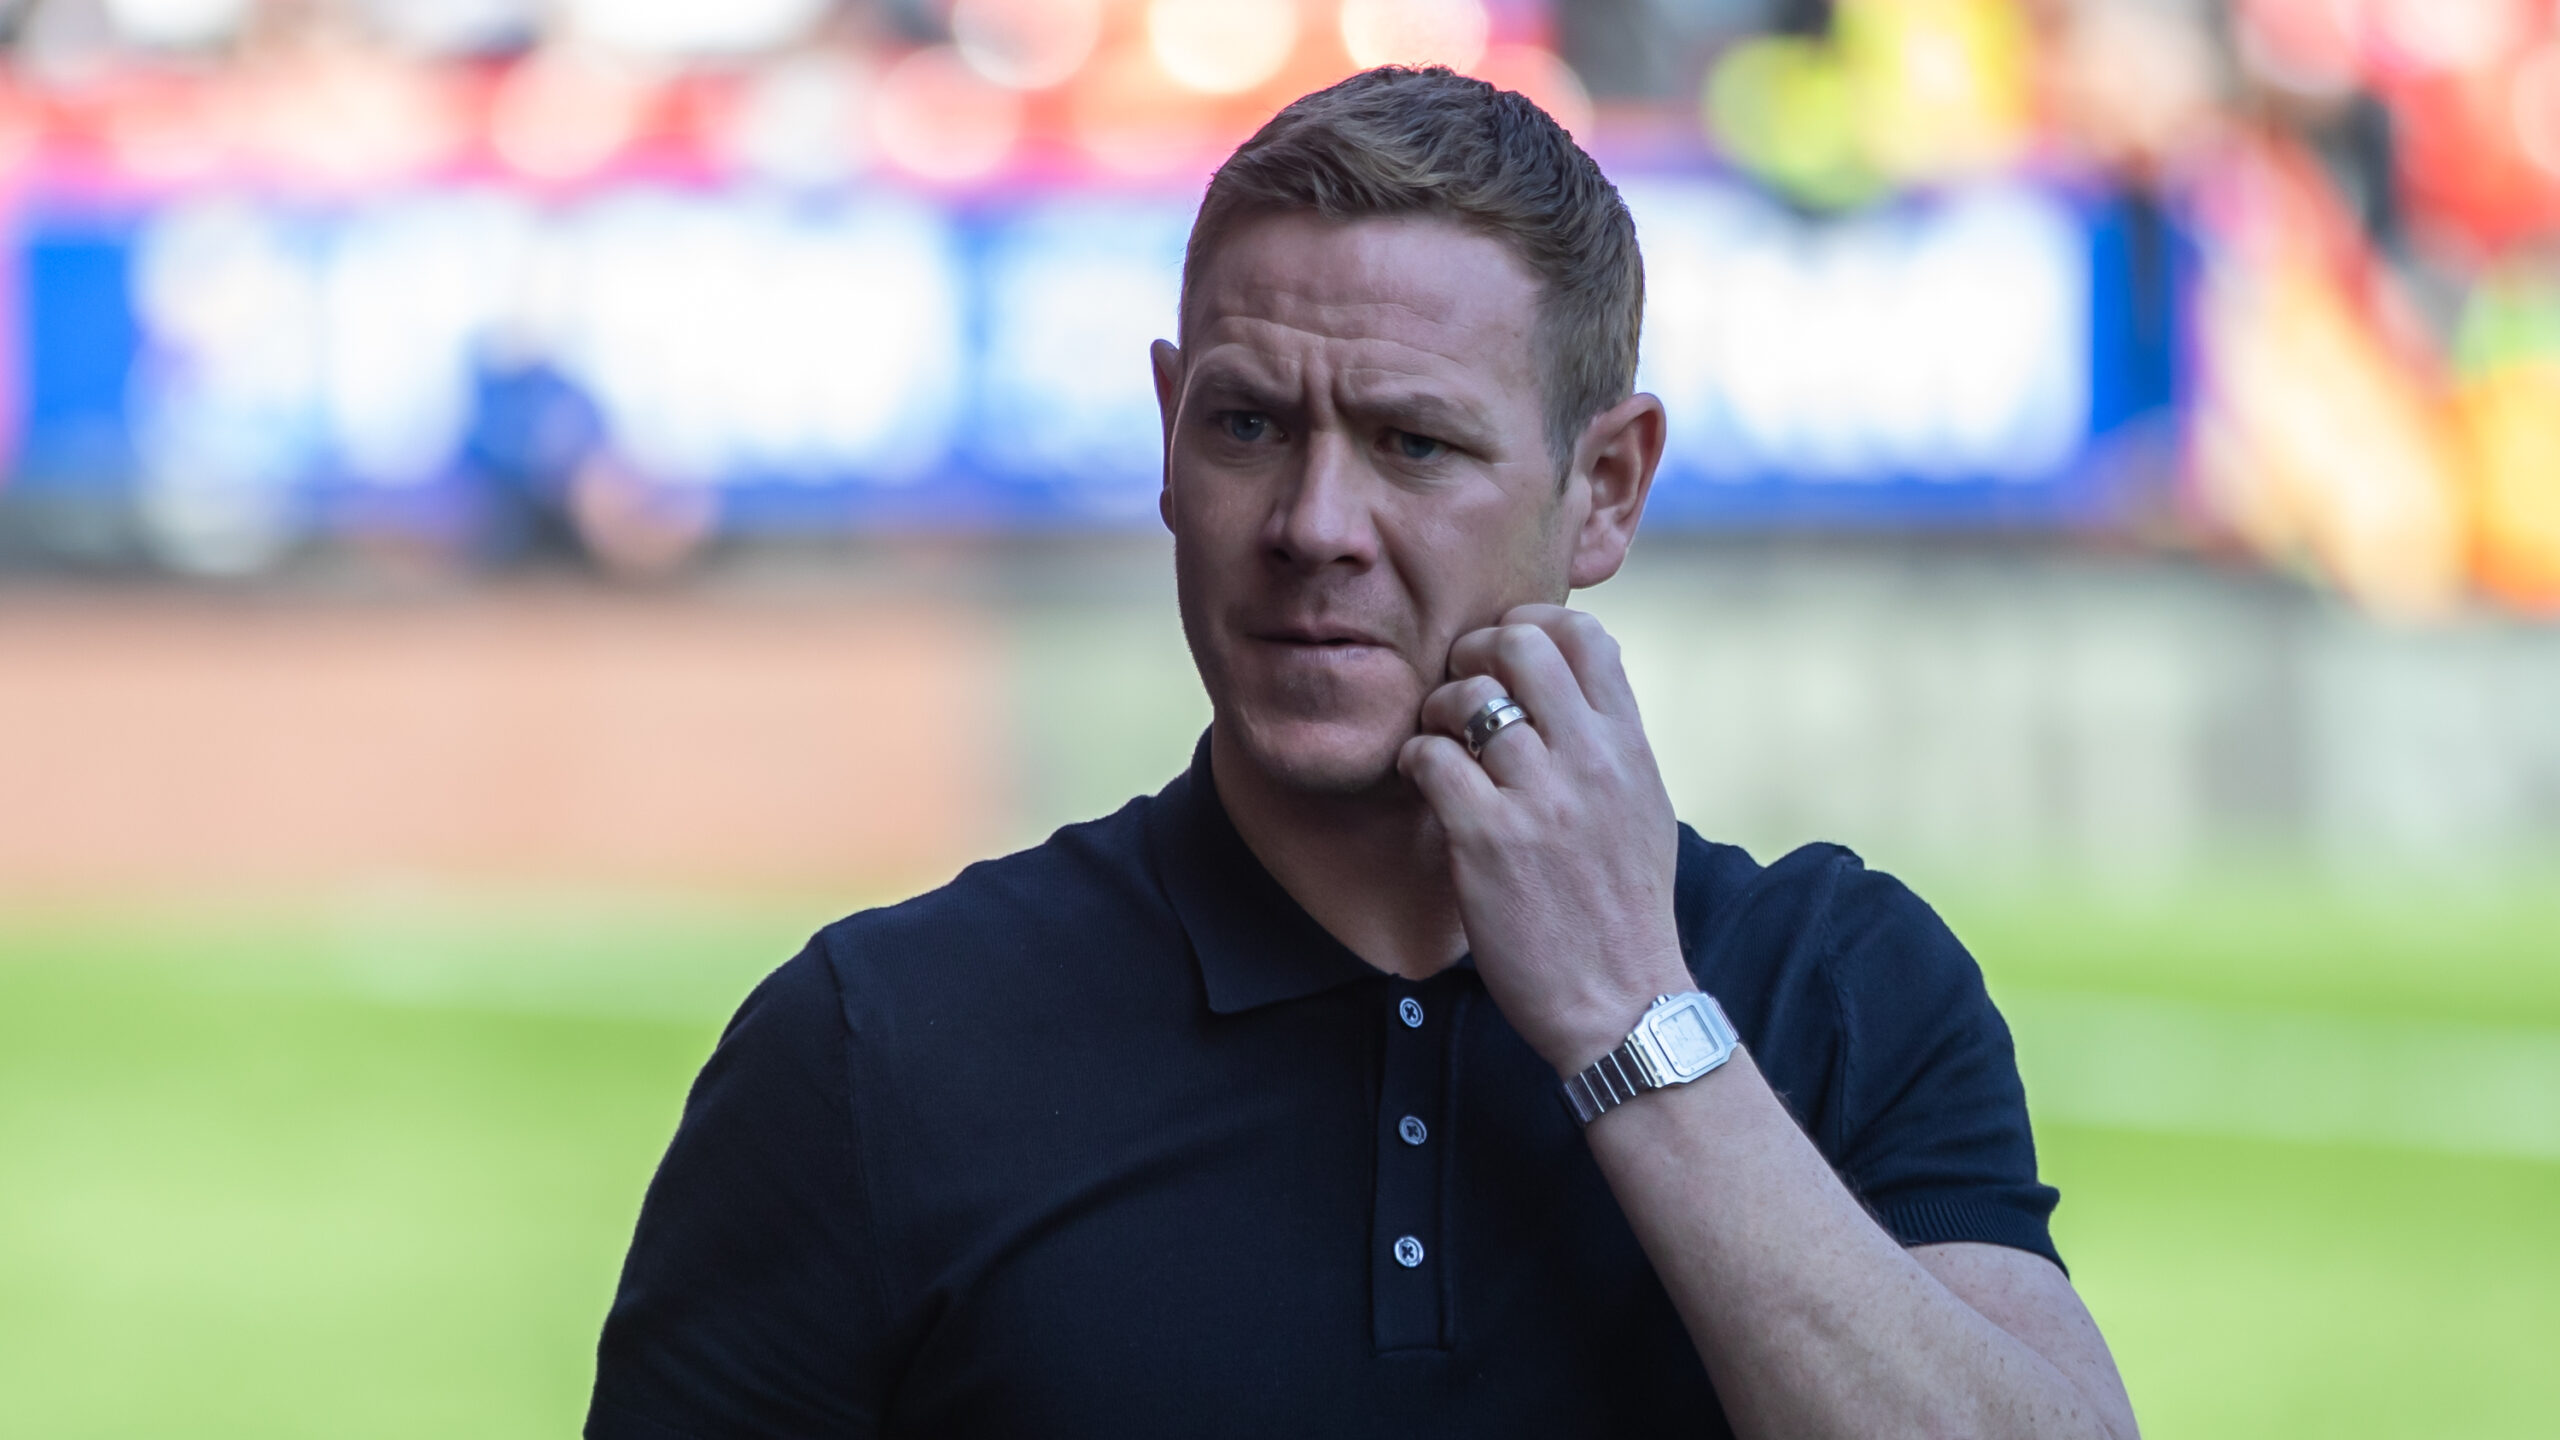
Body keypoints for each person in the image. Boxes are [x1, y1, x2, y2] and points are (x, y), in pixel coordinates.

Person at [587, 67, 2139, 1439]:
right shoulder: (874, 1045)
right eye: (1248, 426)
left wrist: (1632, 1022)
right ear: (1168, 433)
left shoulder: (1841, 987)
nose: (1314, 526)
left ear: (1606, 488)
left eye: (1414, 444)